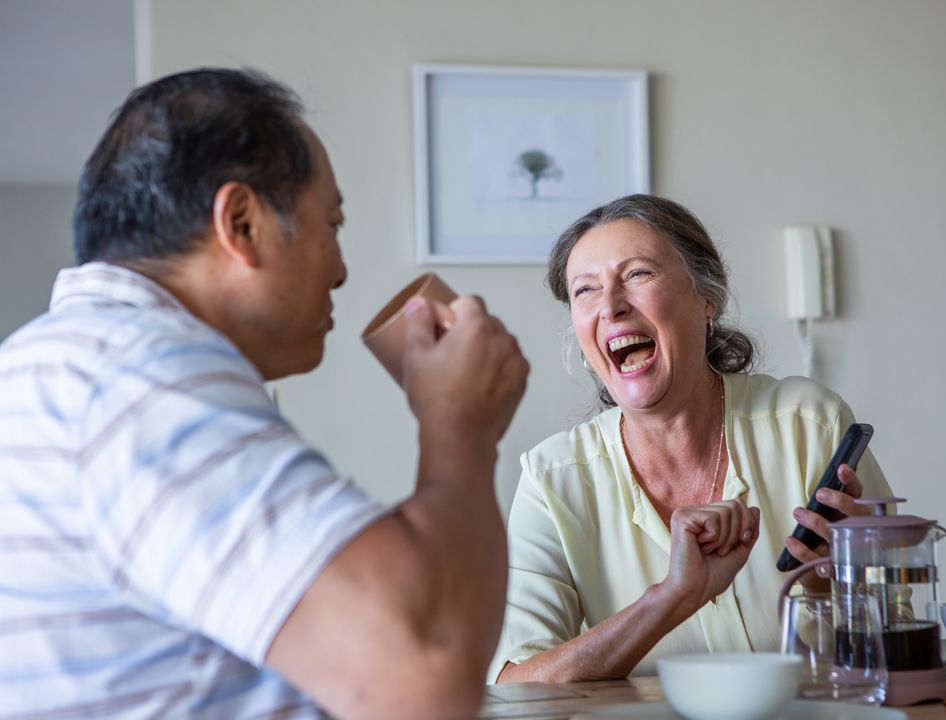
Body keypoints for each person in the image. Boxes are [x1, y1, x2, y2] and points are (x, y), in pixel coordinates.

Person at [0, 68, 528, 719]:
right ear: (242, 223)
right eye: (331, 224)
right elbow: (423, 674)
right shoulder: (138, 377)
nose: (341, 269)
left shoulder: (61, 367)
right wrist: (461, 426)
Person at [490, 194, 891, 683]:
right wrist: (672, 598)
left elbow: (899, 633)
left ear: (707, 297)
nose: (611, 307)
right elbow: (516, 687)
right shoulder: (552, 480)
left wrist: (844, 591)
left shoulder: (811, 425)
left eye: (637, 275)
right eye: (585, 291)